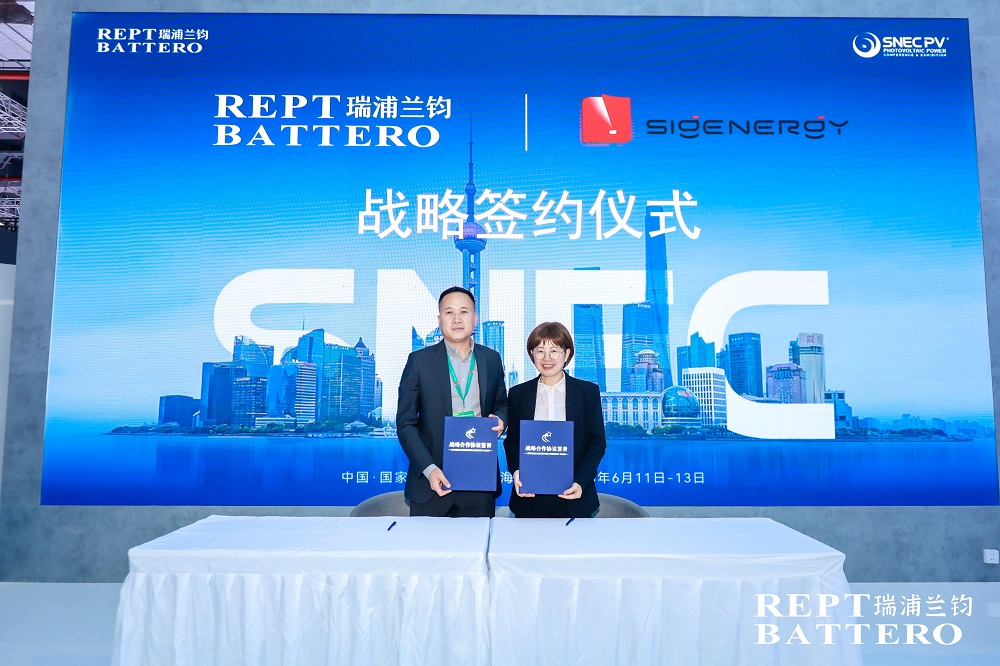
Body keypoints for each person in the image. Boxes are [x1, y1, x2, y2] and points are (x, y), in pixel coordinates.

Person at [396, 286, 508, 517]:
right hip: (431, 482)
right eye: (449, 312)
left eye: (464, 312)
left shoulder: (492, 359)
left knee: (479, 541)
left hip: (480, 478)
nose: (457, 319)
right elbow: (406, 423)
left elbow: (502, 404)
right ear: (439, 320)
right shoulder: (419, 361)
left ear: (475, 318)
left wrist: (501, 419)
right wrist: (429, 469)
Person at [503, 321, 607, 519]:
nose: (547, 358)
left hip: (574, 496)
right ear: (532, 354)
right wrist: (516, 472)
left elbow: (597, 443)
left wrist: (580, 482)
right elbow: (512, 442)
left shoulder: (587, 392)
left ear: (566, 354)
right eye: (540, 351)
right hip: (529, 497)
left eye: (554, 351)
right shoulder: (518, 394)